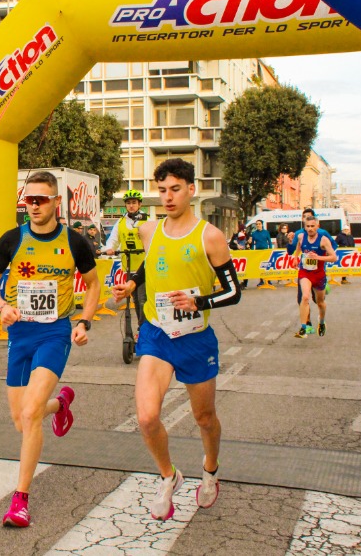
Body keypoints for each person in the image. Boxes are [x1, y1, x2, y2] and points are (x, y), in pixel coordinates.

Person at [111, 158, 241, 521]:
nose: (168, 197)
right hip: (157, 333)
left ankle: (210, 469)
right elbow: (149, 264)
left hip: (195, 338)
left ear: (191, 190)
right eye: (162, 190)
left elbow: (233, 291)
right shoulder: (148, 230)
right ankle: (169, 476)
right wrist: (131, 284)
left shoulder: (209, 236)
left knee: (204, 417)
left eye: (175, 189)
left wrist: (200, 302)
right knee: (146, 417)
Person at [0, 170, 100, 528]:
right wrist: (2, 306)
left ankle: (20, 500)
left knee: (31, 412)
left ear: (56, 202)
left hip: (54, 333)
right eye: (28, 200)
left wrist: (84, 321)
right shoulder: (12, 239)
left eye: (40, 199)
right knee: (22, 420)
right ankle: (60, 404)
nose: (33, 206)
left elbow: (93, 285)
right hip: (20, 334)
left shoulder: (75, 242)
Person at [105, 189, 148, 328]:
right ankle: (142, 326)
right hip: (129, 266)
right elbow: (113, 239)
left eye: (134, 203)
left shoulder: (147, 220)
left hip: (144, 267)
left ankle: (144, 328)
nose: (131, 206)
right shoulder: (121, 222)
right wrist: (109, 248)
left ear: (140, 204)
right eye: (128, 203)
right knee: (135, 300)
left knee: (142, 299)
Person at [290, 213, 337, 338]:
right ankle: (303, 328)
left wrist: (318, 257)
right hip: (305, 272)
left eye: (312, 226)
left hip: (319, 274)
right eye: (307, 226)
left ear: (317, 226)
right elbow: (299, 246)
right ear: (304, 227)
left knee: (320, 302)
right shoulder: (301, 236)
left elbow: (334, 257)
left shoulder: (323, 240)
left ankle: (321, 322)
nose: (310, 229)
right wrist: (295, 258)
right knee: (305, 297)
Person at [249, 220, 273, 287]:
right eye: (257, 224)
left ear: (262, 224)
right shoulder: (254, 233)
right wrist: (252, 251)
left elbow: (269, 242)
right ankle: (261, 280)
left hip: (265, 251)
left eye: (259, 224)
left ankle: (268, 280)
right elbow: (252, 244)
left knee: (267, 266)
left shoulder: (266, 232)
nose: (258, 225)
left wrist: (270, 249)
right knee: (260, 266)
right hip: (258, 251)